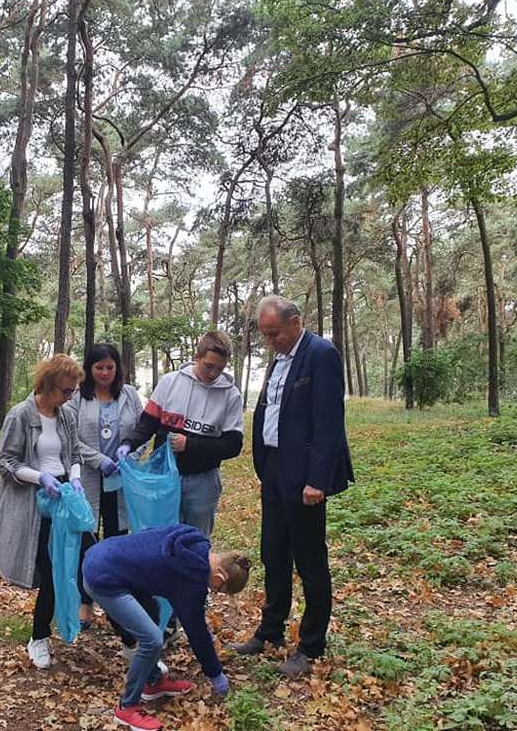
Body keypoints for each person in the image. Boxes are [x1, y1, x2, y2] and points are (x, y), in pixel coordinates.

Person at [230, 295, 354, 677]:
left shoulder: (320, 354)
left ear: (296, 322)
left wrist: (317, 480)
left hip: (305, 476)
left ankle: (312, 644)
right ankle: (271, 631)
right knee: (274, 553)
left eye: (275, 333)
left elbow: (329, 423)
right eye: (265, 335)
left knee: (310, 560)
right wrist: (265, 466)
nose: (270, 341)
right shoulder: (279, 358)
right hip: (275, 469)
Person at [83, 524, 249, 731]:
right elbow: (196, 631)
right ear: (218, 578)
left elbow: (149, 530)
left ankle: (153, 682)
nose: (211, 591)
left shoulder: (193, 538)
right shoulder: (192, 578)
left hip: (106, 554)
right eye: (217, 590)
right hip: (103, 578)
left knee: (153, 615)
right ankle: (127, 708)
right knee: (151, 639)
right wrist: (216, 674)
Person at [0, 354, 84, 670]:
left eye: (73, 391)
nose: (69, 397)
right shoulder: (20, 415)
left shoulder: (66, 415)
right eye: (65, 390)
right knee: (53, 571)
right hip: (37, 502)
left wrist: (74, 477)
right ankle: (39, 637)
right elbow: (6, 462)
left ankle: (130, 641)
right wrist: (39, 477)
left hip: (65, 497)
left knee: (91, 557)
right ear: (47, 385)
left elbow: (75, 453)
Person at [118, 330, 243, 538]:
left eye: (219, 369)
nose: (213, 373)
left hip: (202, 481)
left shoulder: (231, 395)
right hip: (164, 476)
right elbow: (147, 423)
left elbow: (232, 446)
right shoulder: (170, 382)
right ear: (197, 357)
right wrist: (129, 443)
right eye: (208, 366)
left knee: (196, 540)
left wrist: (190, 444)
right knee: (160, 537)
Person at [64, 343, 143, 633]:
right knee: (88, 541)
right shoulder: (77, 398)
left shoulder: (130, 395)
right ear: (89, 369)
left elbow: (141, 432)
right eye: (99, 368)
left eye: (110, 367)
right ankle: (85, 603)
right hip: (86, 478)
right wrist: (99, 460)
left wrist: (129, 454)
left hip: (121, 480)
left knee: (117, 541)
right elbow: (70, 438)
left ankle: (117, 604)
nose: (105, 373)